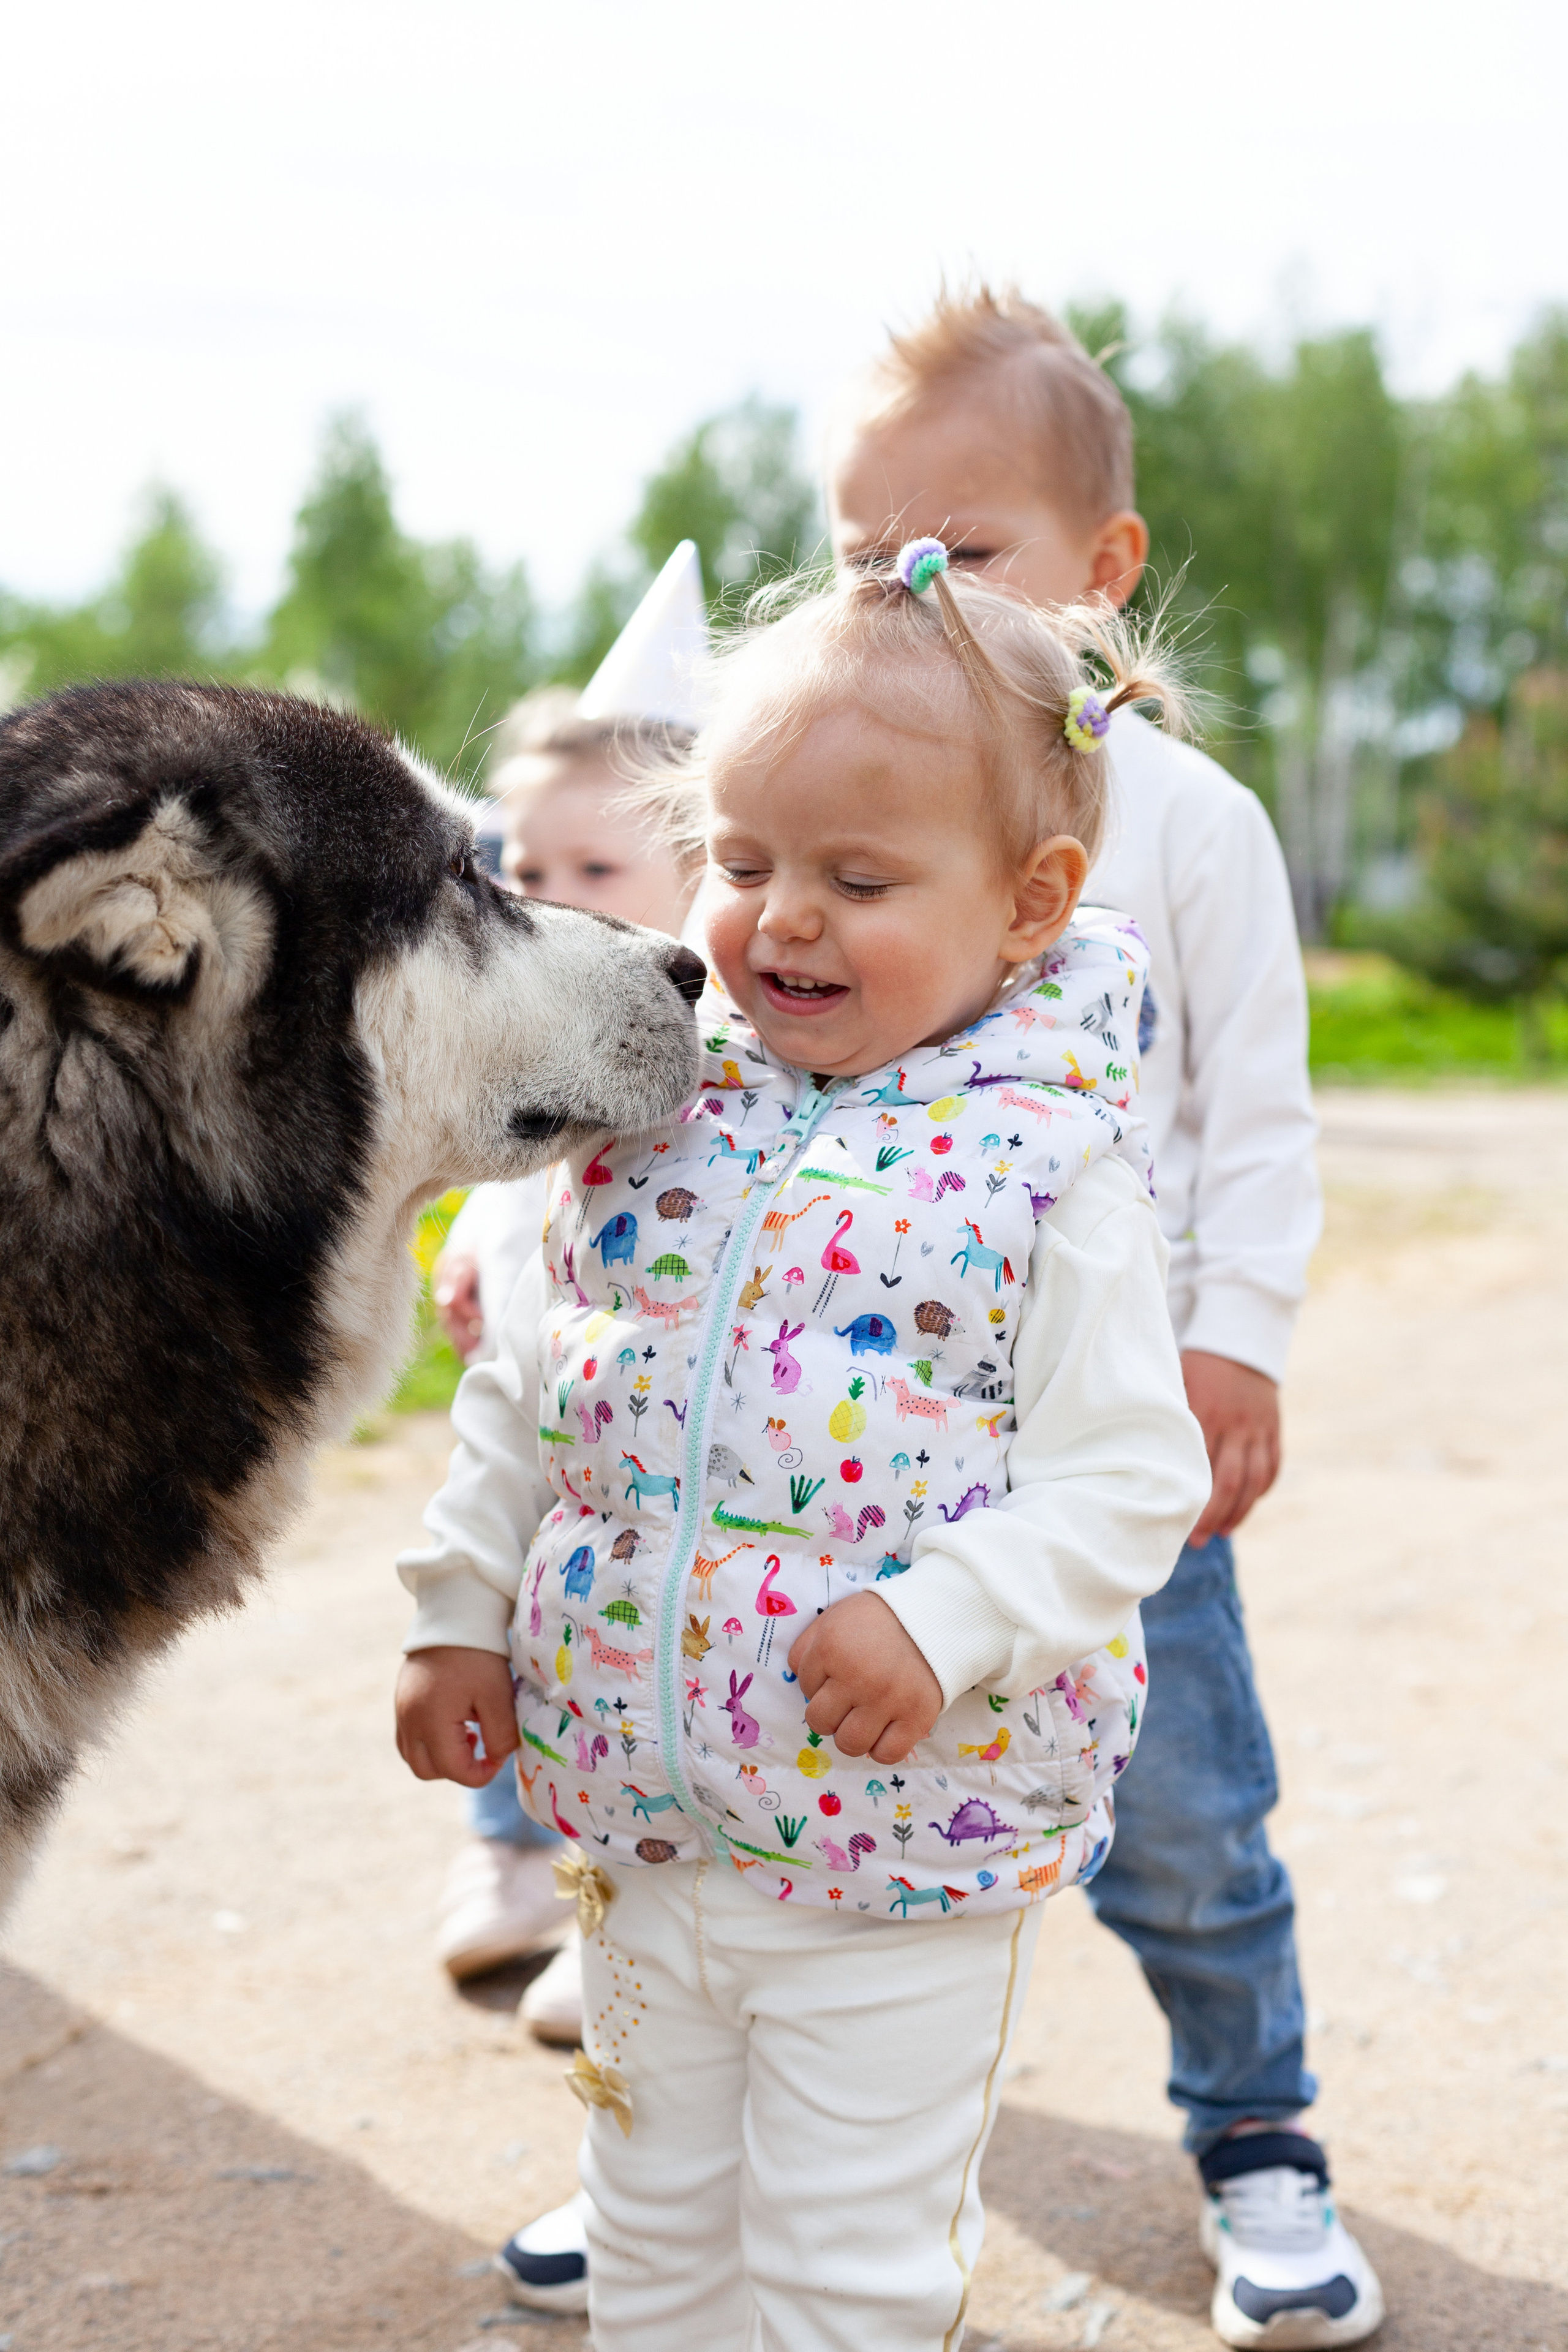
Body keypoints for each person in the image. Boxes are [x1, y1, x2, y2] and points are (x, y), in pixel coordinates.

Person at [393, 546, 1212, 2351]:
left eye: (859, 878)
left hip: (897, 1858)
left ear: (1030, 904)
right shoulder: (655, 1112)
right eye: (746, 867)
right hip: (646, 1824)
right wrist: (461, 1607)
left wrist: (946, 1616)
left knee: (847, 2267)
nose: (784, 922)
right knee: (654, 2233)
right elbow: (537, 1385)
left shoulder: (1042, 1182)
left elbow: (1131, 1481)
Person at [823, 286, 1381, 2350]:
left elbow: (1255, 1117)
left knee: (1189, 1817)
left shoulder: (1190, 825)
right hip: (861, 1432)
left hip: (1112, 1435)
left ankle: (1260, 2140)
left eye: (962, 552)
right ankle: (736, 2150)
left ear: (1101, 567)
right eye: (870, 552)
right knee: (819, 1794)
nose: (914, 592)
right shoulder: (860, 802)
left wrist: (1240, 1338)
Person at [429, 570, 706, 2021]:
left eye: (595, 875)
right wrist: (472, 1246)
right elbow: (500, 1156)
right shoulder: (525, 1023)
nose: (545, 902)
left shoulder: (717, 1035)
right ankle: (503, 1857)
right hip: (537, 1392)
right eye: (518, 872)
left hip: (661, 1428)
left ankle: (614, 1926)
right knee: (501, 1605)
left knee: (621, 1649)